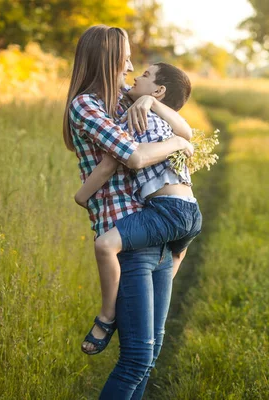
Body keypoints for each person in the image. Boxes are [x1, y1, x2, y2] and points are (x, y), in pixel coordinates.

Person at [62, 25, 194, 398]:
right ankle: (105, 318)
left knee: (149, 355)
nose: (131, 65)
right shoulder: (85, 105)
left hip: (154, 225)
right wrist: (175, 143)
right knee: (136, 358)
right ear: (107, 58)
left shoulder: (125, 96)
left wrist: (151, 102)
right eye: (125, 57)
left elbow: (186, 130)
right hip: (126, 232)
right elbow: (135, 157)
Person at [74, 62, 202, 356]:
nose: (134, 75)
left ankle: (108, 316)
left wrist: (82, 196)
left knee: (105, 245)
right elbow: (186, 132)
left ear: (158, 90)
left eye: (144, 75)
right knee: (172, 257)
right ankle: (150, 304)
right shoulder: (168, 122)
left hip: (167, 210)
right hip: (191, 212)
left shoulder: (135, 120)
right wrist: (151, 102)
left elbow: (110, 163)